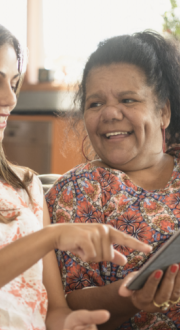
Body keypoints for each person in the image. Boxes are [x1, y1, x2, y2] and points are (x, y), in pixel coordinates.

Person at [0, 24, 152, 330]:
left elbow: (54, 310)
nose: (10, 98)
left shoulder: (26, 187)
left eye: (14, 83)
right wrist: (52, 235)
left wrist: (71, 323)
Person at [46, 30, 180, 330]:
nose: (109, 113)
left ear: (164, 112)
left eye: (128, 99)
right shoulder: (78, 190)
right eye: (94, 104)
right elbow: (71, 303)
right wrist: (131, 296)